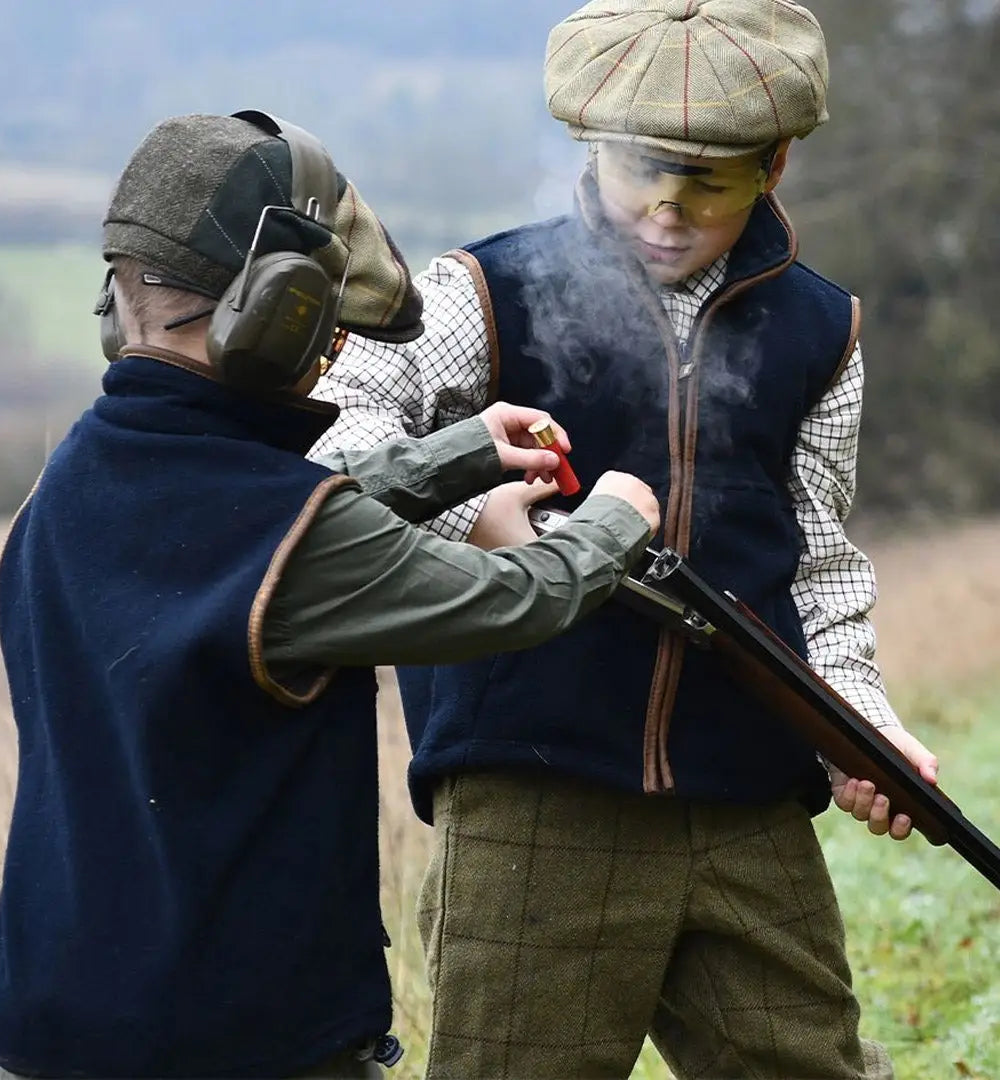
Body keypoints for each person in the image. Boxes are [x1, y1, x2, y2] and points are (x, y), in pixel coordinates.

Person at [310, 3, 942, 1077]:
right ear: (589, 142)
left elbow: (820, 563)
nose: (664, 206)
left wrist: (860, 723)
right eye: (639, 167)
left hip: (748, 799)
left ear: (776, 162)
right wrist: (476, 505)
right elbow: (339, 445)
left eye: (707, 177)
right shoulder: (484, 291)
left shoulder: (822, 333)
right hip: (533, 797)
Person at [0, 111, 662, 1080]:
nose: (333, 344)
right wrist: (621, 516)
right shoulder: (288, 535)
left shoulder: (66, 487)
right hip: (240, 1050)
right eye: (325, 319)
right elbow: (520, 595)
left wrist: (461, 455)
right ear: (279, 312)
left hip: (43, 1039)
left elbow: (249, 540)